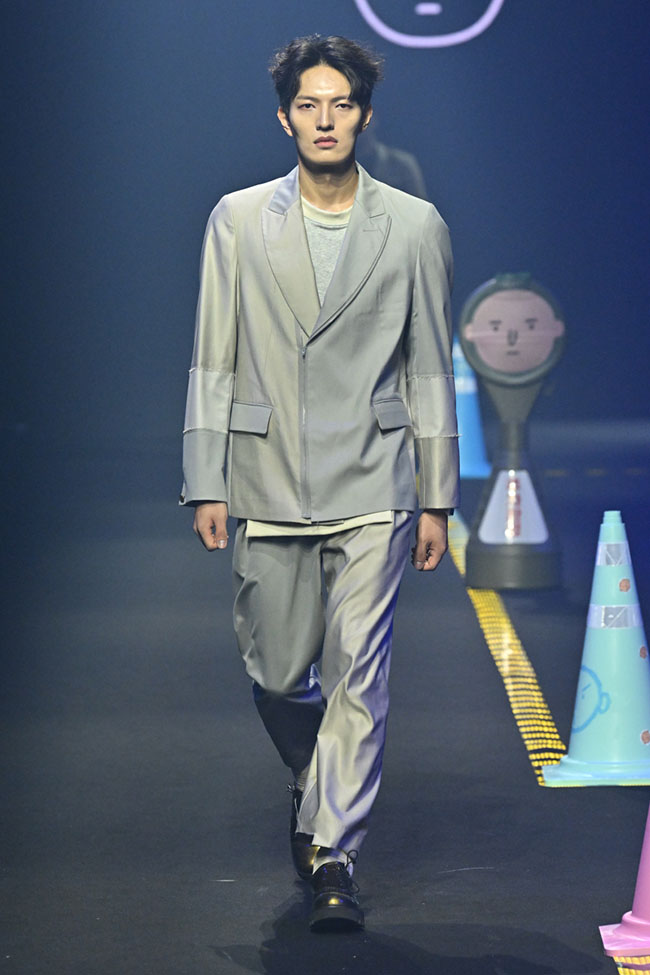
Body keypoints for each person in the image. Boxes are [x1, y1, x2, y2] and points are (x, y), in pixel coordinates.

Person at [180, 34, 459, 932]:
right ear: (285, 118)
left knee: (358, 674)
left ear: (365, 117)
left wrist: (438, 495)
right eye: (310, 104)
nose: (326, 119)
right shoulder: (236, 219)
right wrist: (205, 477)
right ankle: (314, 777)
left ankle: (335, 850)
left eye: (341, 104)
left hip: (375, 478)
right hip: (266, 474)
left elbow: (428, 364)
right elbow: (214, 354)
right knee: (275, 674)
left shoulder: (413, 225)